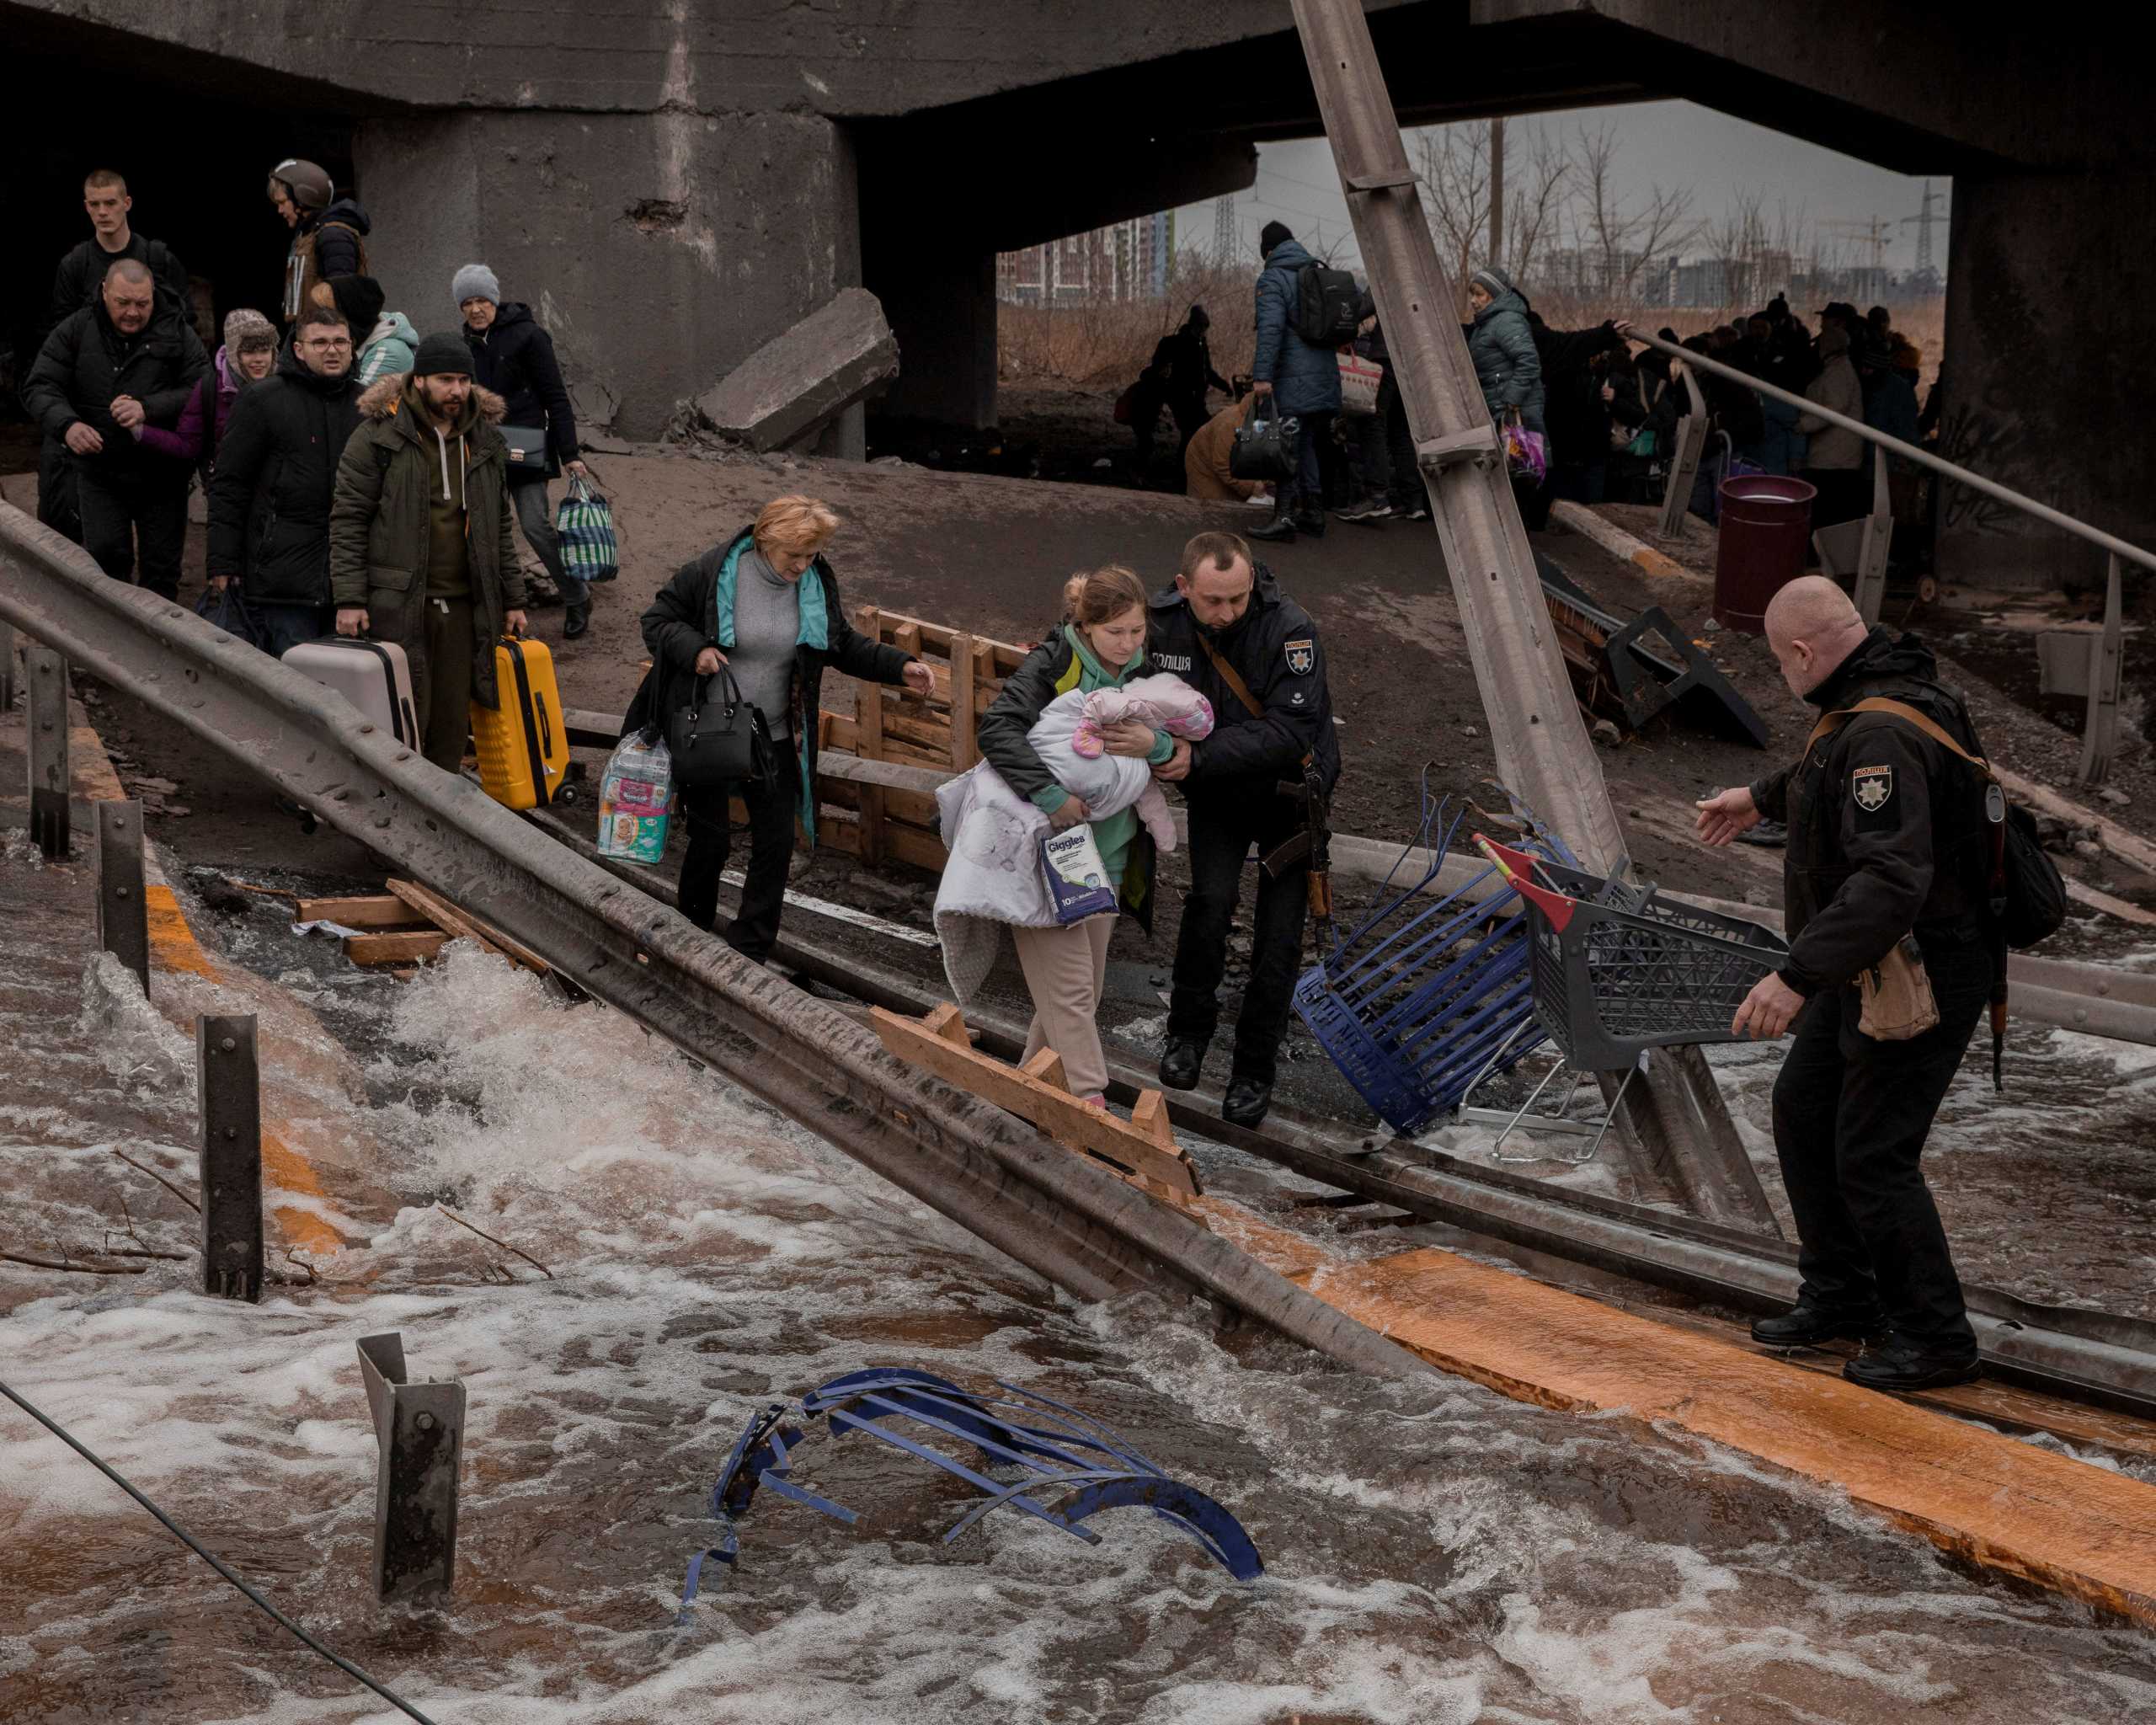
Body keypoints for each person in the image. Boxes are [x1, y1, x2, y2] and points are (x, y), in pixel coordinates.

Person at [1695, 578, 1993, 1392]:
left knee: (1873, 1152)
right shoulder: (1882, 691)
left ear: (1799, 651)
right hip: (1871, 956)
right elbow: (1829, 764)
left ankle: (1936, 1339)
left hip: (1922, 966)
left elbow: (1892, 877)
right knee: (1804, 1107)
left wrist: (1795, 976)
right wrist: (1759, 797)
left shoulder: (1883, 731)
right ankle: (1843, 1296)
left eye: (1777, 661)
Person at [625, 497, 933, 961]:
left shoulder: (813, 582)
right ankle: (689, 931)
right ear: (768, 540)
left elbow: (840, 643)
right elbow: (658, 621)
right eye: (796, 555)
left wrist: (899, 666)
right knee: (711, 839)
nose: (803, 565)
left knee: (776, 842)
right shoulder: (713, 572)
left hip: (775, 734)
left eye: (811, 555)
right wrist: (695, 651)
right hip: (711, 730)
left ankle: (749, 948)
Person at [1149, 531, 1339, 1125]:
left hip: (1287, 797)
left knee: (1278, 939)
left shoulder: (1292, 630)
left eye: (1237, 598)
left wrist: (1197, 756)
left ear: (1252, 580)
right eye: (1212, 601)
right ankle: (1186, 1036)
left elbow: (1290, 732)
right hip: (1220, 795)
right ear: (1185, 589)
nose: (1227, 613)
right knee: (1209, 904)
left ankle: (1254, 1070)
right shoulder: (1164, 627)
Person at [972, 565, 1177, 1101]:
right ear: (1086, 626)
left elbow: (1170, 743)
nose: (1128, 644)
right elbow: (996, 728)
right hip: (1046, 854)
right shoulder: (1054, 663)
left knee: (1077, 997)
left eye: (1137, 631)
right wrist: (1051, 795)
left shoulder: (1141, 671)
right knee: (1069, 994)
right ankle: (1093, 1106)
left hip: (1107, 856)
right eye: (1115, 633)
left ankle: (1019, 1099)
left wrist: (1152, 747)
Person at [328, 333, 528, 772]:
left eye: (462, 380)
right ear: (418, 380)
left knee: (451, 725)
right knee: (398, 718)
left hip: (464, 608)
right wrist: (350, 598)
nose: (456, 391)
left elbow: (499, 529)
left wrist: (513, 598)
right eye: (444, 380)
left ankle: (440, 823)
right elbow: (348, 520)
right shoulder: (378, 438)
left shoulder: (485, 441)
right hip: (398, 604)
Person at [21, 259, 205, 601]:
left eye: (142, 303)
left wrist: (148, 407)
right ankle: (111, 647)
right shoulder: (76, 328)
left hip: (162, 473)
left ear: (153, 296)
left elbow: (202, 388)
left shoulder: (177, 330)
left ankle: (159, 648)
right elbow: (41, 386)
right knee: (106, 560)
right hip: (100, 472)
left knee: (162, 571)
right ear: (105, 291)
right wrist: (68, 425)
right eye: (123, 303)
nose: (133, 313)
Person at [37, 169, 192, 543]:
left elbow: (184, 328)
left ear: (127, 204)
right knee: (84, 528)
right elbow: (62, 340)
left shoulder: (156, 258)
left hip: (151, 403)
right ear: (86, 207)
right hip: (95, 405)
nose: (103, 212)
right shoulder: (76, 265)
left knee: (161, 547)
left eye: (111, 203)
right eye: (95, 204)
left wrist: (157, 402)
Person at [207, 303, 364, 658]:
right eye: (320, 342)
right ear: (298, 348)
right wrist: (222, 561)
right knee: (293, 681)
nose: (332, 350)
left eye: (340, 341)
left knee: (344, 682)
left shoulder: (365, 404)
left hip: (348, 580)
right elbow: (230, 484)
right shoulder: (263, 400)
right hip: (281, 577)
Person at [455, 264, 595, 638]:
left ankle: (576, 595)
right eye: (467, 303)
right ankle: (497, 607)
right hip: (482, 452)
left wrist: (571, 454)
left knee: (534, 525)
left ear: (494, 300)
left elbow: (556, 398)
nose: (475, 309)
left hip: (528, 451)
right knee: (484, 531)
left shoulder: (530, 337)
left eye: (481, 300)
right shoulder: (462, 344)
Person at [1247, 222, 1342, 544]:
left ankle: (1285, 516)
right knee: (1305, 445)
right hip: (1325, 377)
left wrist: (1262, 376)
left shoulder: (1274, 278)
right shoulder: (1315, 273)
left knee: (1285, 445)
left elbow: (1271, 331)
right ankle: (1313, 514)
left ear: (1268, 251)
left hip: (1293, 379)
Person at [134, 309, 279, 474]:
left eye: (265, 350)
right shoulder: (211, 389)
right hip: (228, 492)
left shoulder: (286, 387)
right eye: (249, 351)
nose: (259, 359)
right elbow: (188, 444)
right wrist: (140, 431)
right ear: (233, 354)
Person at [268, 158, 371, 326]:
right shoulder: (308, 236)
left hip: (326, 341)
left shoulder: (334, 236)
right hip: (309, 336)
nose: (280, 210)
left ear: (302, 197)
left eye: (282, 202)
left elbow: (341, 303)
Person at [1799, 323, 1866, 530]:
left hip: (1834, 459)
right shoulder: (1837, 370)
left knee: (1828, 513)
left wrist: (1802, 425)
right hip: (1833, 454)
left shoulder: (1838, 373)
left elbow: (1834, 408)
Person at [324, 275, 419, 387]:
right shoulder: (359, 334)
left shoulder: (388, 352)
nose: (317, 317)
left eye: (325, 311)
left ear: (350, 314)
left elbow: (356, 400)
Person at [1184, 392, 1268, 504]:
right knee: (1212, 507)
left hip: (1234, 461)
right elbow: (1223, 465)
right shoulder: (1231, 424)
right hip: (1206, 465)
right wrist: (1251, 486)